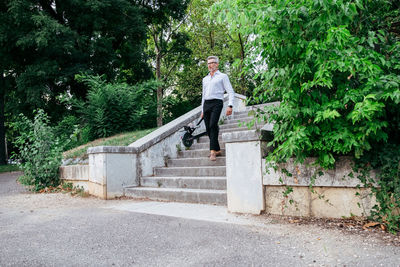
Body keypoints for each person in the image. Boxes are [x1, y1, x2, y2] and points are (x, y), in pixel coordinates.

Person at [201, 56, 235, 161]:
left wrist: (230, 105)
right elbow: (203, 95)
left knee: (212, 125)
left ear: (217, 64)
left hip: (217, 103)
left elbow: (230, 91)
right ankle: (218, 149)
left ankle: (212, 152)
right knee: (208, 128)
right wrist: (202, 110)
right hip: (206, 103)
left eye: (212, 63)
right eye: (208, 63)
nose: (210, 65)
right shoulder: (205, 79)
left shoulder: (223, 76)